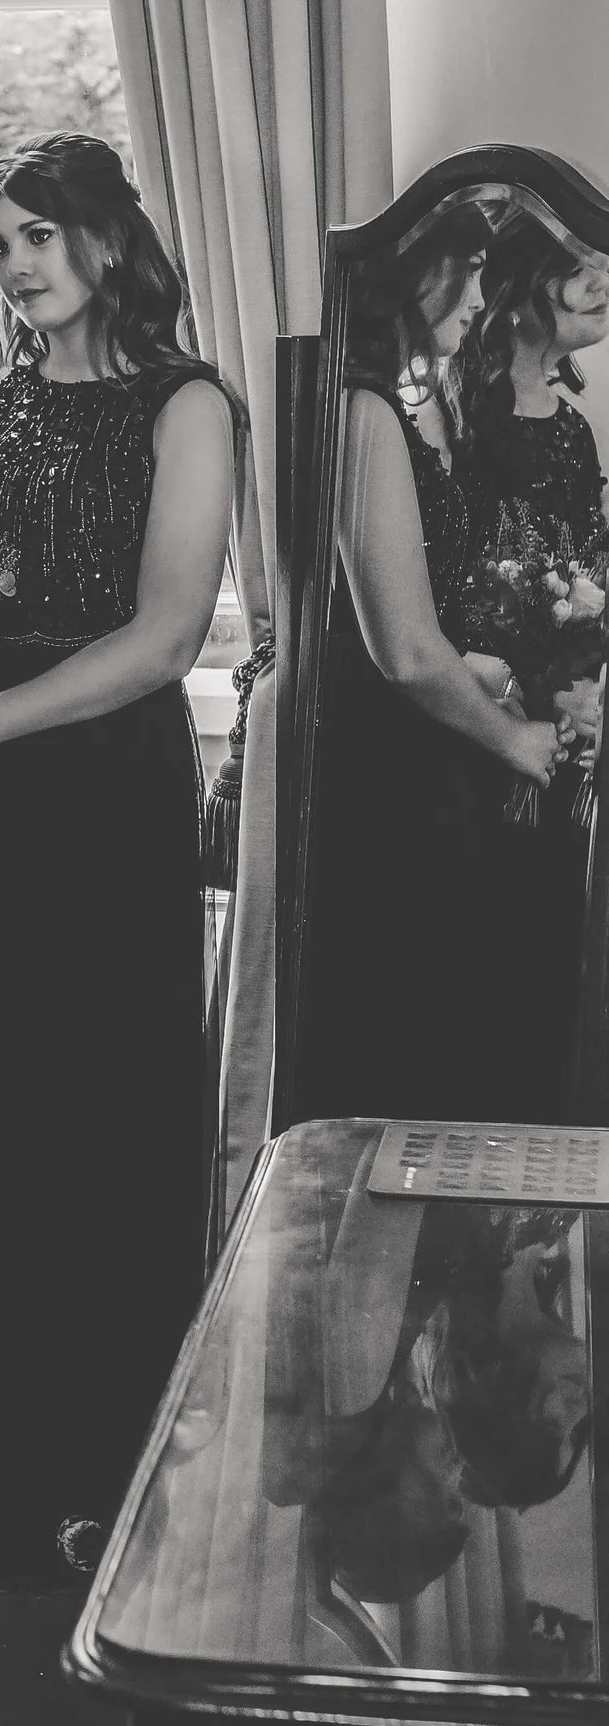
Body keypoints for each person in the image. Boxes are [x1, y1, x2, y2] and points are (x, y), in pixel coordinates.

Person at [0, 132, 236, 1585]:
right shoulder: (1, 402)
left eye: (39, 235)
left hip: (96, 784)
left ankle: (100, 1475)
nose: (16, 264)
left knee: (95, 1112)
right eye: (1, 239)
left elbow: (163, 639)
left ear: (107, 242)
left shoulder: (186, 404)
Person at [302, 196, 562, 1121]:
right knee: (406, 1037)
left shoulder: (423, 404)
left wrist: (487, 664)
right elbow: (405, 652)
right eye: (470, 271)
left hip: (432, 748)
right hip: (391, 770)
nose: (482, 295)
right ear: (417, 275)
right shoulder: (363, 412)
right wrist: (514, 741)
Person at [454, 203, 609, 1118]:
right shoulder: (456, 418)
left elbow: (580, 567)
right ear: (518, 287)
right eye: (584, 264)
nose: (604, 285)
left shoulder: (573, 429)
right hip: (470, 722)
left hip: (560, 731)